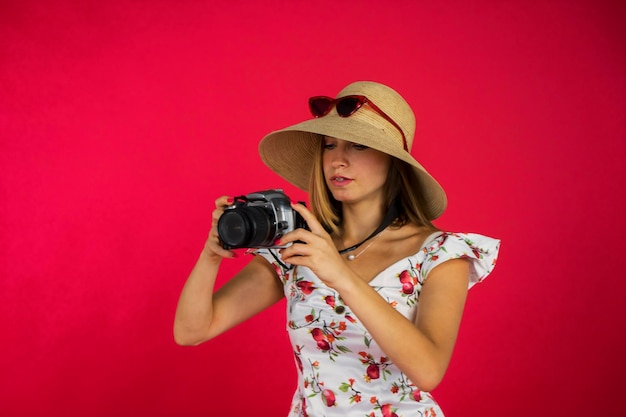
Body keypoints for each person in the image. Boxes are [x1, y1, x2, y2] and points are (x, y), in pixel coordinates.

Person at [174, 81, 500, 417]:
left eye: (358, 146)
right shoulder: (300, 248)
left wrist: (339, 274)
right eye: (330, 146)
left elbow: (428, 371)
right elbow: (191, 331)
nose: (338, 160)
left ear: (393, 161)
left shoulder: (440, 254)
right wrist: (210, 255)